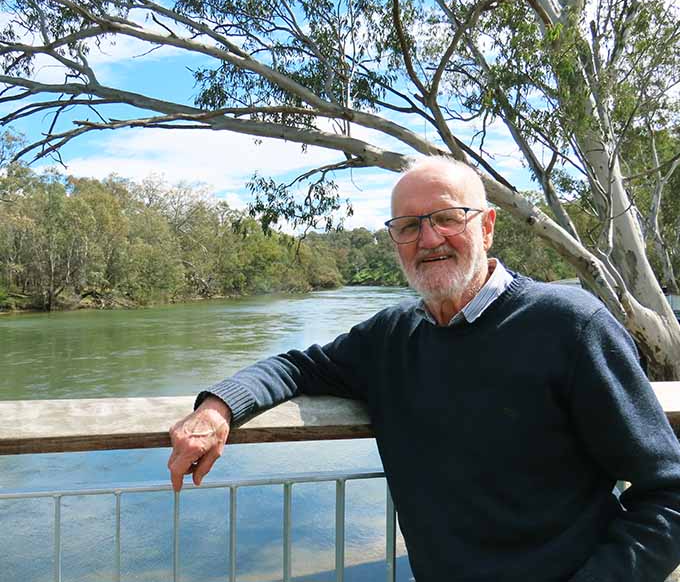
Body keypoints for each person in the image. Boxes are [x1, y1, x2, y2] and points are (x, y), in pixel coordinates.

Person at [168, 157, 680, 582]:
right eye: (408, 226)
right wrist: (216, 411)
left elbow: (669, 494)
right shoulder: (390, 338)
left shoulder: (570, 325)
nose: (428, 238)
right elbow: (296, 367)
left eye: (446, 218)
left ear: (487, 225)